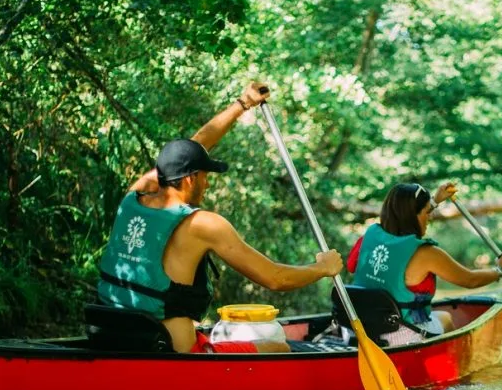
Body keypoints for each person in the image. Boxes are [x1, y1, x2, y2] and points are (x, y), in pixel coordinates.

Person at [97, 82, 343, 352]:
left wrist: (242, 104)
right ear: (191, 179)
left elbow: (191, 149)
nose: (208, 184)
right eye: (205, 176)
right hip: (173, 353)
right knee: (279, 348)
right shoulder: (203, 224)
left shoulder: (134, 195)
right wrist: (322, 268)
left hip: (111, 336)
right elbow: (275, 278)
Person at [347, 182, 502, 341]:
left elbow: (351, 266)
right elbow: (470, 280)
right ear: (413, 215)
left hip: (359, 329)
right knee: (446, 318)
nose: (430, 217)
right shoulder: (426, 253)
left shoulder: (369, 238)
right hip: (398, 333)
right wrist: (500, 270)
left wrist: (434, 200)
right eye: (427, 212)